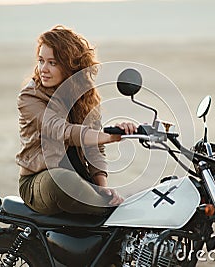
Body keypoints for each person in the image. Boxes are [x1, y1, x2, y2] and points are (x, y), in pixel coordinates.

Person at [16, 25, 136, 216]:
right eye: (41, 61)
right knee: (63, 180)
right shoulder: (30, 97)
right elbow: (60, 130)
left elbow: (94, 149)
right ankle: (116, 212)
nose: (43, 69)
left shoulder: (86, 95)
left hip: (80, 180)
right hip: (40, 180)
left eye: (52, 63)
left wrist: (102, 187)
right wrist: (105, 136)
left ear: (70, 65)